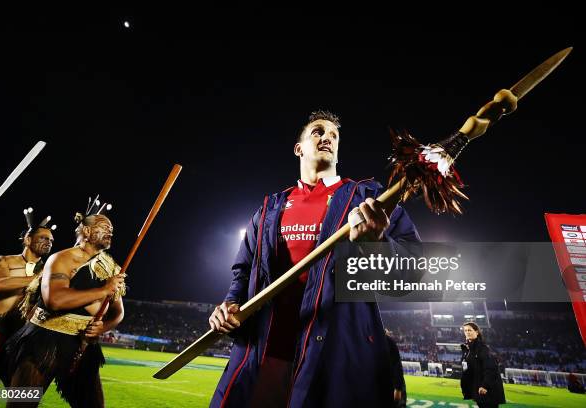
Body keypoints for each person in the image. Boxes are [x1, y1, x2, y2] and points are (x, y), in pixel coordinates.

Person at [208, 111, 421, 407]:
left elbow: (412, 273)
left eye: (334, 135)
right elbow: (243, 271)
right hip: (264, 354)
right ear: (299, 148)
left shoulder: (368, 198)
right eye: (318, 132)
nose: (327, 138)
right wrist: (230, 303)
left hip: (331, 360)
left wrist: (379, 243)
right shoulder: (270, 208)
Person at [3, 201, 125, 408]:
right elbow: (55, 300)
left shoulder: (111, 268)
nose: (110, 233)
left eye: (111, 230)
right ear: (86, 230)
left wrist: (101, 328)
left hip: (83, 345)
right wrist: (104, 290)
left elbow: (118, 312)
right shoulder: (62, 259)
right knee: (21, 403)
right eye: (104, 228)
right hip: (45, 341)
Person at [0, 207, 55, 385]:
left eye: (51, 240)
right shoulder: (4, 261)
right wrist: (39, 278)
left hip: (17, 337)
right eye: (43, 238)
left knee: (22, 395)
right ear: (27, 239)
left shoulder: (48, 271)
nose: (48, 242)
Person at [460, 322, 506, 407]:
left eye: (470, 330)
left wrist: (485, 385)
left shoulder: (483, 348)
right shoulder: (468, 349)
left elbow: (490, 369)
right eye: (465, 330)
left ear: (477, 332)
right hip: (477, 387)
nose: (467, 332)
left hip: (487, 389)